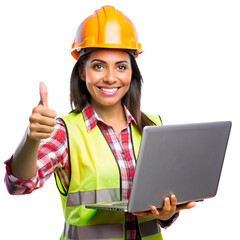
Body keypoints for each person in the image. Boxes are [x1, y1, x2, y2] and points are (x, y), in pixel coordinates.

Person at [4, 5, 196, 240]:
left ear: (131, 73)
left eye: (121, 67)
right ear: (82, 72)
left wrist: (167, 213)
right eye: (98, 66)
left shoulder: (153, 126)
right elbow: (19, 185)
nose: (111, 77)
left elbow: (161, 205)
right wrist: (31, 138)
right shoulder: (66, 132)